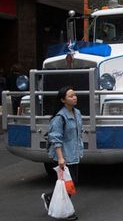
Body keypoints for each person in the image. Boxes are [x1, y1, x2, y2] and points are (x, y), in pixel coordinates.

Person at [41, 86, 83, 221]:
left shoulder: (77, 113)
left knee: (72, 182)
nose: (74, 97)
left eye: (75, 95)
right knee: (67, 184)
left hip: (74, 154)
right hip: (64, 156)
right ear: (63, 100)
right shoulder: (59, 117)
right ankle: (66, 212)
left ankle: (49, 197)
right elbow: (55, 138)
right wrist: (60, 158)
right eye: (71, 96)